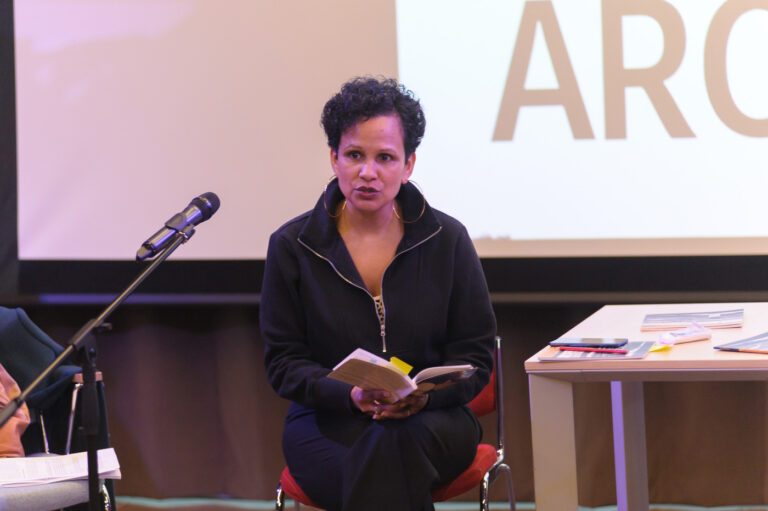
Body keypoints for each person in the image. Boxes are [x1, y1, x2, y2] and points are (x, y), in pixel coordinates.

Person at [260, 76, 496, 511]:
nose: (368, 172)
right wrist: (349, 395)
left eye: (385, 157)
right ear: (334, 158)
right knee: (383, 462)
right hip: (326, 420)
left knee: (388, 452)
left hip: (434, 421)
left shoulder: (448, 239)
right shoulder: (292, 245)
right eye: (354, 155)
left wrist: (424, 396)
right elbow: (283, 364)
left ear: (408, 166)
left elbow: (477, 360)